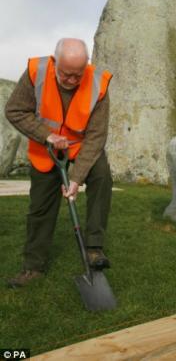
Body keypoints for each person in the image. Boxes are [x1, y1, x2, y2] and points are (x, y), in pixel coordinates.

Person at [6, 38, 113, 287]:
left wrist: (76, 178)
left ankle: (94, 249)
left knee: (102, 176)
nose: (72, 81)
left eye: (78, 75)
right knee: (40, 207)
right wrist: (47, 135)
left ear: (85, 66)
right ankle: (33, 267)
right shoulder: (36, 72)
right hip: (47, 148)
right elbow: (15, 110)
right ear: (55, 63)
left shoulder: (99, 82)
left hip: (80, 146)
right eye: (66, 75)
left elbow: (96, 135)